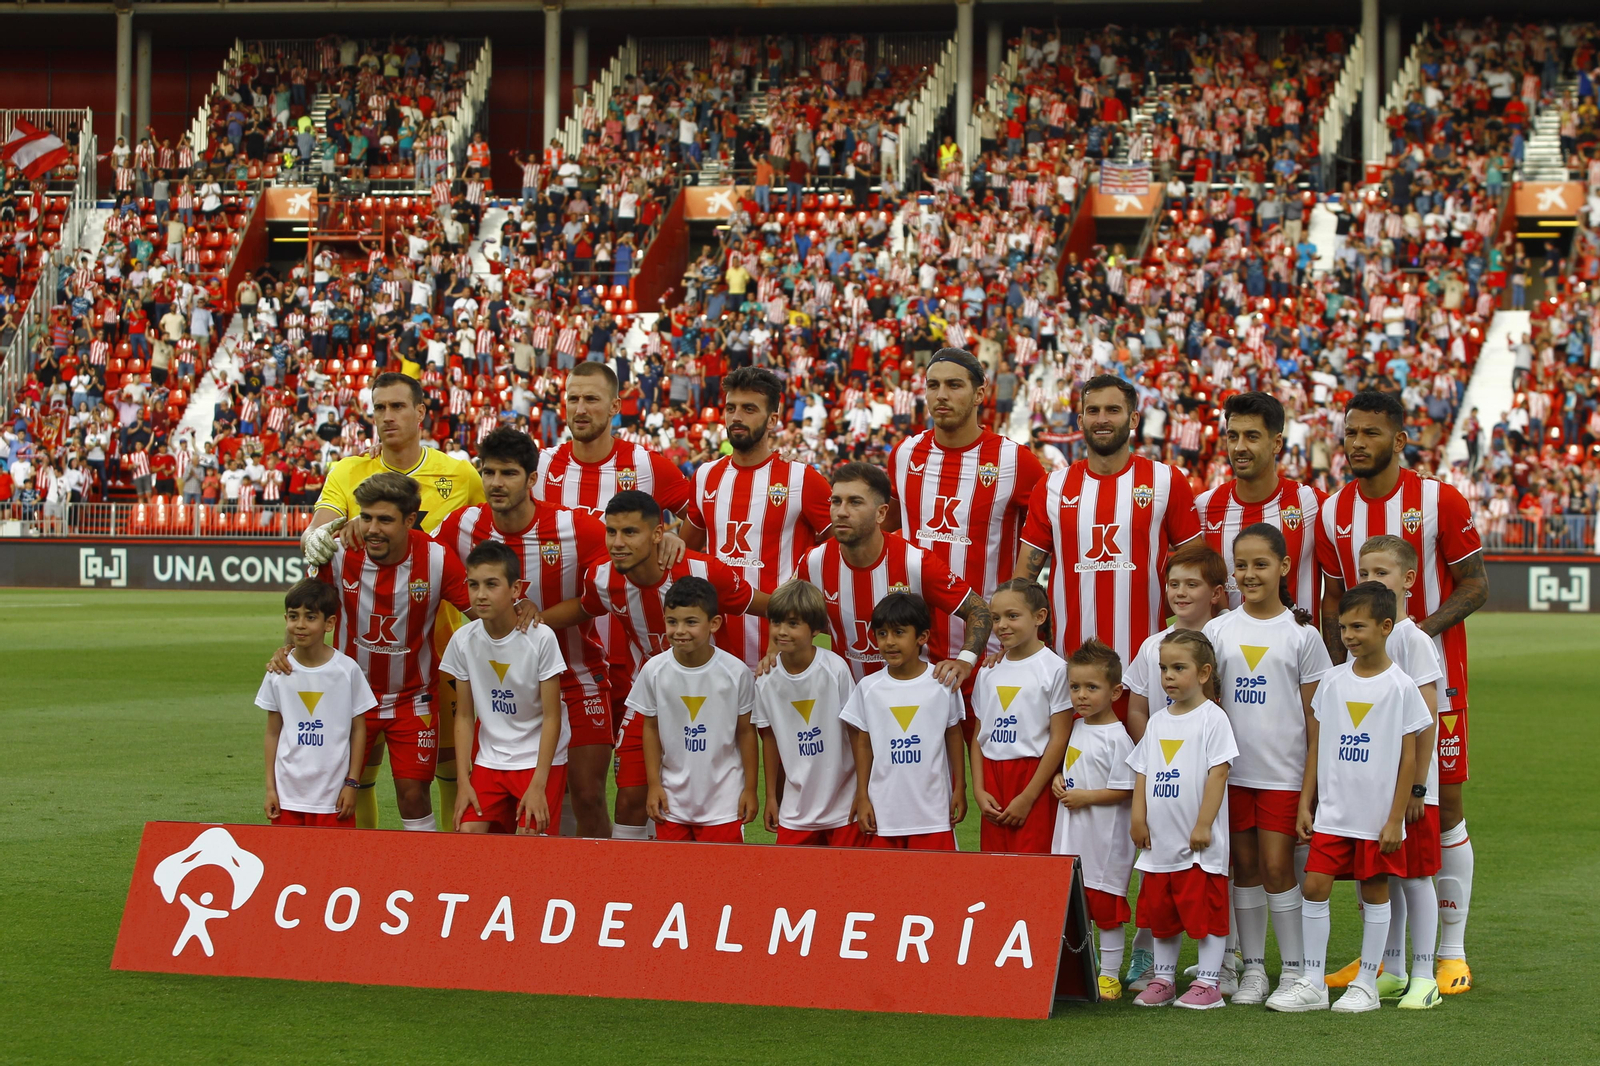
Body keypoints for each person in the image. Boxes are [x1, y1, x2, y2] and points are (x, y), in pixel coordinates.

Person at [1315, 389, 1486, 995]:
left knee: (1443, 814)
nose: (1357, 443)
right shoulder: (1334, 512)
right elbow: (1338, 604)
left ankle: (1450, 952)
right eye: (1350, 432)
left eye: (1370, 433)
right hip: (1366, 699)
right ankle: (1381, 961)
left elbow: (1476, 585)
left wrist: (1408, 638)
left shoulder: (1439, 498)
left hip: (1439, 685)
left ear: (1398, 439)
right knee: (1370, 810)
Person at [302, 371, 485, 828]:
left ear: (421, 412)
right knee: (356, 772)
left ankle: (448, 859)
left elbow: (487, 533)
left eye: (398, 406)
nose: (387, 417)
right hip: (361, 654)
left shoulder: (459, 473)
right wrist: (317, 534)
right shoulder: (348, 470)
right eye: (379, 407)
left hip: (437, 649)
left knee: (441, 768)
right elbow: (321, 529)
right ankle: (365, 867)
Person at [542, 490, 766, 840]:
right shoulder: (602, 578)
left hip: (712, 701)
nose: (617, 542)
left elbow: (762, 605)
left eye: (630, 532)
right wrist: (530, 620)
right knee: (630, 797)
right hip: (650, 697)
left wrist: (779, 650)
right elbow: (583, 608)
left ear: (658, 534)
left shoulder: (703, 571)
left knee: (710, 799)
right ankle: (630, 885)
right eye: (611, 532)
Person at [433, 427, 614, 839]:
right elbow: (426, 560)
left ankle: (601, 889)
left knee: (587, 795)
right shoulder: (463, 524)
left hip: (576, 676)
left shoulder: (573, 526)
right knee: (495, 818)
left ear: (532, 479)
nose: (496, 483)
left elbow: (607, 589)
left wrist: (543, 617)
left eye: (509, 473)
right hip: (508, 686)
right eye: (489, 472)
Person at [1267, 583, 1430, 1014]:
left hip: (1375, 818)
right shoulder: (1333, 680)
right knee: (1315, 886)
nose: (1349, 635)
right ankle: (1314, 982)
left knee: (1374, 890)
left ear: (1386, 626)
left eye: (1358, 626)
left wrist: (1395, 819)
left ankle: (1367, 984)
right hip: (1333, 814)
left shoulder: (1401, 687)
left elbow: (1408, 760)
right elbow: (1318, 745)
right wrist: (1307, 802)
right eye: (1342, 627)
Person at [533, 360, 692, 794]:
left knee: (640, 779)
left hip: (634, 648)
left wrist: (679, 542)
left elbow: (696, 514)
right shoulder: (541, 467)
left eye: (591, 399)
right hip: (564, 647)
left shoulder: (645, 464)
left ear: (615, 406)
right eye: (572, 399)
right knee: (569, 782)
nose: (580, 409)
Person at [1016, 374, 1202, 730]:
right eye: (1093, 410)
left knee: (1149, 783)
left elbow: (1201, 573)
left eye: (1113, 410)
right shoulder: (1052, 487)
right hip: (1072, 676)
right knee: (1075, 783)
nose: (1102, 419)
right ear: (1080, 419)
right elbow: (1022, 581)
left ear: (1133, 419)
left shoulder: (1166, 481)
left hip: (1149, 676)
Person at [286, 472, 470, 831]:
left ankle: (423, 875)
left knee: (413, 793)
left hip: (412, 698)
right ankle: (350, 875)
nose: (372, 528)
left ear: (409, 520)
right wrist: (287, 650)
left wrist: (523, 616)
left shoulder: (436, 559)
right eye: (366, 517)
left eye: (384, 519)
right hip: (348, 697)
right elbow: (306, 609)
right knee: (337, 793)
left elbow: (480, 612)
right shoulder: (338, 552)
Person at [1203, 523, 1332, 1006]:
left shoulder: (1303, 635)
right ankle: (1254, 969)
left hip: (1282, 776)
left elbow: (1316, 721)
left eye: (1261, 564)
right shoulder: (1217, 630)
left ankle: (1297, 972)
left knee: (1280, 868)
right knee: (1245, 867)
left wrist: (1310, 789)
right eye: (1241, 565)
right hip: (1230, 775)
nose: (1250, 574)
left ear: (1283, 567)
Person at [887, 349, 1047, 697]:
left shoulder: (1016, 461)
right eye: (933, 385)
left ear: (979, 395)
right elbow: (887, 529)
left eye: (954, 385)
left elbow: (1045, 537)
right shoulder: (904, 454)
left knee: (990, 750)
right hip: (917, 645)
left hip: (991, 648)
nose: (941, 394)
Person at [1336, 535, 1445, 1009]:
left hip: (1413, 786)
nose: (1370, 581)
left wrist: (1419, 787)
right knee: (1388, 875)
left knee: (1418, 876)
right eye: (1363, 573)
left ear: (1408, 580)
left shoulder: (1411, 638)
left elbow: (1428, 715)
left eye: (1381, 573)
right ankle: (1393, 968)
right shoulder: (1359, 639)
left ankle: (1425, 974)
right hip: (1374, 786)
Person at [683, 366, 833, 667]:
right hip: (715, 652)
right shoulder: (705, 477)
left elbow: (839, 554)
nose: (736, 417)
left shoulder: (803, 479)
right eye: (731, 408)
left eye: (749, 409)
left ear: (772, 420)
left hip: (782, 653)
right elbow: (686, 553)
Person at [794, 462, 993, 686]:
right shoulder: (813, 562)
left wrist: (965, 661)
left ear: (881, 513)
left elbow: (979, 610)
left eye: (855, 502)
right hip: (850, 703)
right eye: (836, 501)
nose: (841, 512)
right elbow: (786, 613)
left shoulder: (916, 562)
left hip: (917, 700)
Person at [1127, 629, 1237, 1010]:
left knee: (1206, 914)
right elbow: (1143, 772)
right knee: (1162, 915)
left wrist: (1204, 824)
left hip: (1197, 849)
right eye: (1163, 668)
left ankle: (1209, 984)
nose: (1168, 676)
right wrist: (1138, 817)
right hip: (1159, 847)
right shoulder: (1157, 721)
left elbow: (1218, 774)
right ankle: (1163, 979)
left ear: (1204, 673)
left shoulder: (1213, 719)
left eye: (1178, 667)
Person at [442, 541, 567, 836]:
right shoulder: (462, 640)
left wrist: (539, 784)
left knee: (529, 843)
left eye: (491, 584)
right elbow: (463, 716)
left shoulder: (541, 638)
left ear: (516, 589)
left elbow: (552, 718)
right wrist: (463, 781)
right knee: (467, 833)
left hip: (537, 759)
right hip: (490, 758)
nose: (480, 594)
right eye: (473, 585)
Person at [630, 576, 759, 843]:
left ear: (714, 624)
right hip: (673, 801)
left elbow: (747, 733)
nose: (679, 631)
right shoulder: (654, 670)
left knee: (722, 878)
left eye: (691, 622)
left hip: (724, 802)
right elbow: (651, 729)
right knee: (674, 879)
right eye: (672, 621)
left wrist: (750, 789)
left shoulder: (735, 673)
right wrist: (654, 785)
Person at [840, 594, 967, 850]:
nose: (889, 642)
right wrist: (863, 795)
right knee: (884, 887)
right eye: (882, 634)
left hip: (933, 814)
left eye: (899, 632)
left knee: (935, 886)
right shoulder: (868, 688)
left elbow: (954, 735)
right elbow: (863, 744)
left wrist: (960, 788)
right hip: (884, 814)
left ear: (922, 637)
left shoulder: (942, 682)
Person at [1049, 638, 1136, 1001]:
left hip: (1104, 841)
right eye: (1075, 687)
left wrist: (1085, 797)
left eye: (1091, 687)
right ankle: (1081, 972)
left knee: (1106, 909)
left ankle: (1110, 976)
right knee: (1074, 908)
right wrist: (1060, 778)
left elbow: (1127, 789)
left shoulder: (1118, 738)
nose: (1081, 695)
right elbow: (1075, 769)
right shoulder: (1077, 726)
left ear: (1115, 691)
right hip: (1073, 836)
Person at [752, 578, 862, 846]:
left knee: (847, 883)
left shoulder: (835, 670)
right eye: (776, 623)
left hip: (844, 806)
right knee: (793, 884)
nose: (782, 631)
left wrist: (863, 791)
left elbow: (857, 732)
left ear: (815, 630)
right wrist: (771, 798)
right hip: (795, 810)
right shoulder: (765, 679)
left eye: (793, 624)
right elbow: (769, 738)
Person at [1194, 391, 1324, 618]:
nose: (1239, 447)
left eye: (1252, 436)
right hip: (1223, 652)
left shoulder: (1313, 504)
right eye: (1233, 436)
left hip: (1296, 651)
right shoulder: (1204, 507)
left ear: (1277, 443)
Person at [256, 579, 372, 828]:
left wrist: (352, 783)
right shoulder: (278, 671)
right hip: (288, 797)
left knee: (333, 865)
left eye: (310, 617)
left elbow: (359, 729)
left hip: (333, 798)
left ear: (329, 623)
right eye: (293, 616)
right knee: (288, 864)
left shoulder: (346, 670)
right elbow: (273, 732)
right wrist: (270, 789)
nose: (300, 625)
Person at [970, 579, 1072, 853]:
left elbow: (1059, 739)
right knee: (995, 867)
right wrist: (979, 791)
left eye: (1012, 616)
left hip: (1033, 778)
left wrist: (1028, 796)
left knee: (1033, 867)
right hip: (993, 779)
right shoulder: (988, 671)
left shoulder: (1056, 670)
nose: (1002, 625)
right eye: (995, 618)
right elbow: (979, 737)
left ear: (1040, 617)